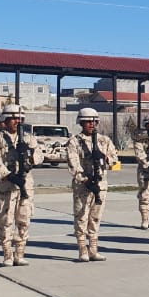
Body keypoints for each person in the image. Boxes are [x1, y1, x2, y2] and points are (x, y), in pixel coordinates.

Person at [0, 104, 43, 267]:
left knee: (24, 219)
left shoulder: (28, 137)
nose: (16, 122)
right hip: (5, 186)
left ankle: (19, 253)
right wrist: (9, 175)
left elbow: (40, 155)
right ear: (5, 120)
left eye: (19, 119)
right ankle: (7, 254)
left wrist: (30, 158)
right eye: (13, 119)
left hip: (25, 185)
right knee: (5, 221)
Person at [66, 107, 118, 262]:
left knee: (95, 218)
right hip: (83, 185)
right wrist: (86, 179)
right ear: (81, 122)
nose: (91, 124)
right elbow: (73, 164)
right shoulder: (75, 141)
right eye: (87, 121)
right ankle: (82, 249)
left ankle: (93, 249)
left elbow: (114, 158)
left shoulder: (104, 140)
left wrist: (104, 157)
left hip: (100, 185)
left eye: (93, 121)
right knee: (81, 217)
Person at [133, 116, 149, 229]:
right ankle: (145, 219)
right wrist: (148, 164)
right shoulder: (139, 138)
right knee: (145, 194)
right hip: (145, 169)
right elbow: (140, 154)